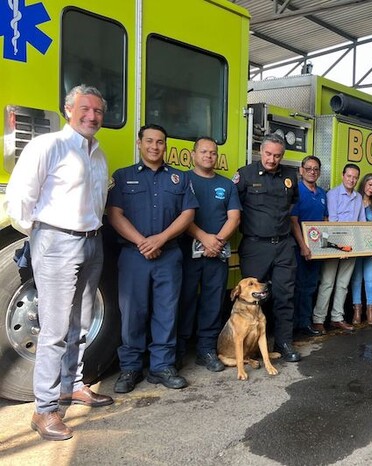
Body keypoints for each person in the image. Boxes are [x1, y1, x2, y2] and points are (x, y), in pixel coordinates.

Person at [5, 84, 113, 441]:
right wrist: (41, 236)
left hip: (91, 242)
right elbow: (21, 199)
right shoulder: (48, 146)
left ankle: (73, 385)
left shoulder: (98, 154)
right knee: (53, 330)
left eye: (98, 111)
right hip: (57, 241)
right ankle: (45, 409)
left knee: (81, 322)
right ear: (69, 110)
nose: (92, 116)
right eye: (85, 109)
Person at [107, 124, 198, 393]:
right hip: (134, 255)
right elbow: (114, 214)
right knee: (133, 313)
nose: (154, 146)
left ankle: (161, 367)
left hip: (169, 255)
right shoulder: (123, 177)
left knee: (167, 312)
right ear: (139, 144)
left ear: (165, 146)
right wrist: (142, 242)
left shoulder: (179, 179)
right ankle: (131, 368)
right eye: (149, 141)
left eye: (160, 142)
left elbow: (188, 214)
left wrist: (161, 239)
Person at [235, 133, 301, 361]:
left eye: (277, 155)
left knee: (285, 296)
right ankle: (246, 347)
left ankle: (284, 343)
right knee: (250, 299)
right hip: (255, 247)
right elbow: (235, 210)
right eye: (268, 154)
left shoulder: (291, 176)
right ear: (260, 151)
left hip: (283, 246)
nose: (272, 159)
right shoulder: (245, 175)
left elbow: (291, 208)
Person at [177, 137, 240, 372]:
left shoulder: (227, 185)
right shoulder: (183, 180)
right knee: (184, 301)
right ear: (193, 154)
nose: (208, 156)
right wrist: (204, 238)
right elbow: (181, 215)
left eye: (213, 153)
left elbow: (234, 217)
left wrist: (217, 242)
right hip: (187, 254)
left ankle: (206, 350)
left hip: (217, 254)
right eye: (203, 152)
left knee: (213, 303)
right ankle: (178, 352)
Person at [312, 163, 365, 333]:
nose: (352, 179)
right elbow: (332, 222)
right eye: (349, 176)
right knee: (327, 282)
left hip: (352, 246)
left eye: (355, 177)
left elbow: (362, 223)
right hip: (334, 244)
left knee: (343, 284)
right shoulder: (332, 194)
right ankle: (319, 320)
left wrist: (359, 245)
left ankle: (337, 317)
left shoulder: (358, 197)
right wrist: (341, 248)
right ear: (343, 176)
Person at [290, 155, 328, 337]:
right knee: (297, 286)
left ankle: (305, 323)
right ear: (301, 170)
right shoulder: (296, 191)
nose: (312, 172)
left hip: (317, 250)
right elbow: (293, 221)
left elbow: (325, 221)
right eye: (308, 168)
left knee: (310, 286)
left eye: (316, 169)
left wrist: (325, 245)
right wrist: (303, 246)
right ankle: (293, 326)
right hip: (299, 249)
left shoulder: (322, 194)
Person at [350, 173, 372, 326]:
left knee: (370, 278)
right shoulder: (354, 199)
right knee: (356, 279)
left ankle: (371, 310)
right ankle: (357, 310)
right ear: (364, 183)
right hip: (355, 246)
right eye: (370, 185)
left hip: (370, 246)